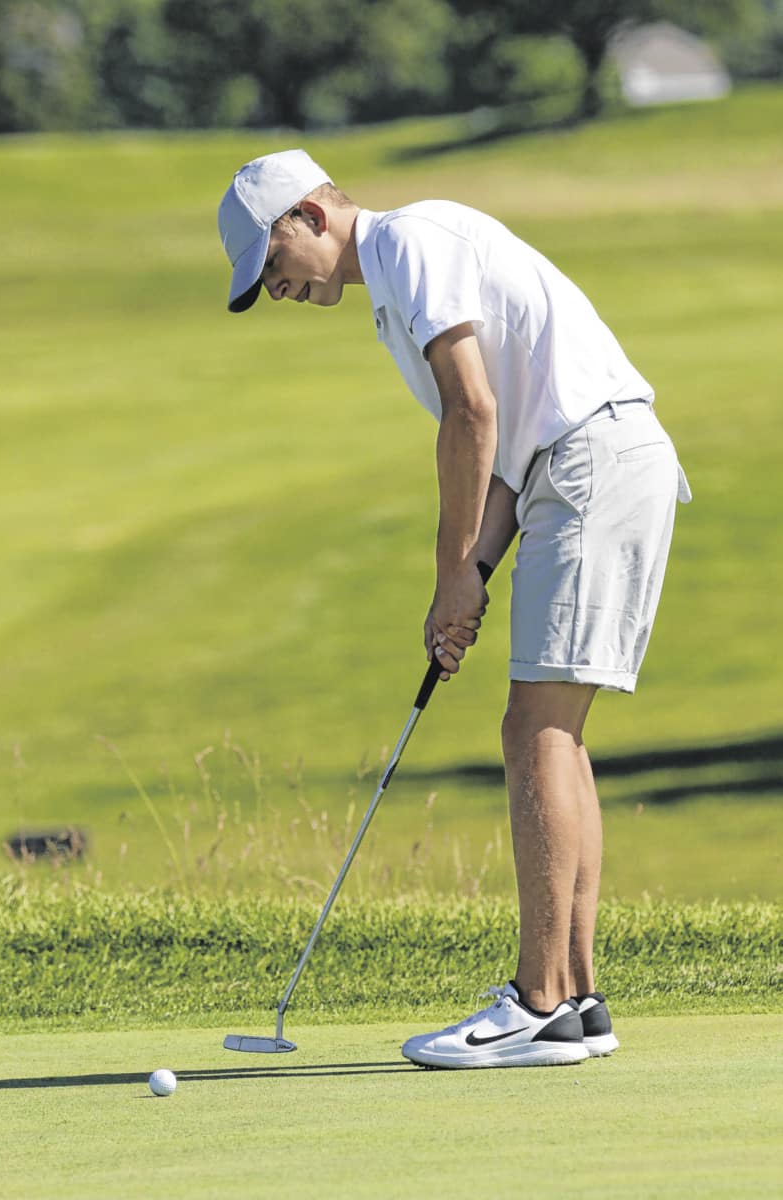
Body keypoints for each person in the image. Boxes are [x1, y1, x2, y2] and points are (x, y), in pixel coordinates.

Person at [217, 148, 691, 1069]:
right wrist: (465, 582)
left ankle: (537, 1002)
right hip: (574, 465)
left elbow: (472, 414)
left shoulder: (408, 241)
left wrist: (449, 572)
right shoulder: (394, 290)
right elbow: (503, 459)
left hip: (591, 459)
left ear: (311, 214)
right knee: (554, 733)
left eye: (272, 265)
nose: (275, 289)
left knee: (533, 730)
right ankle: (578, 1000)